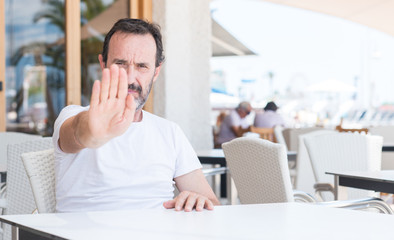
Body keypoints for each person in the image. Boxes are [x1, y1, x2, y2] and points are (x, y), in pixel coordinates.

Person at [52, 18, 219, 213]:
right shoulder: (73, 116)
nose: (130, 78)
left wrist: (197, 200)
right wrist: (94, 134)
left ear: (156, 72)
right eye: (120, 63)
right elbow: (78, 133)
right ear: (103, 64)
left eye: (142, 66)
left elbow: (212, 204)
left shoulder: (169, 132)